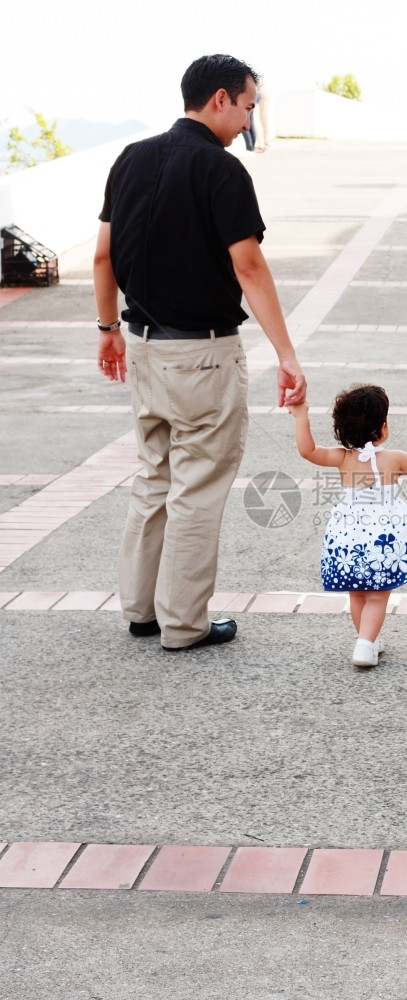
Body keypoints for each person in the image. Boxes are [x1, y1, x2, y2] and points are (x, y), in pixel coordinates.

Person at [93, 54, 307, 652]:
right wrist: (287, 354)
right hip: (203, 358)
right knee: (197, 487)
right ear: (220, 99)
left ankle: (141, 611)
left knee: (153, 475)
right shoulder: (222, 171)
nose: (247, 121)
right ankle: (184, 624)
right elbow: (248, 264)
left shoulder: (130, 158)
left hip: (142, 347)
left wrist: (108, 326)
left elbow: (104, 256)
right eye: (247, 107)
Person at [288, 385, 407, 668]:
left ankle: (369, 640)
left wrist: (301, 415)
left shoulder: (342, 457)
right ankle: (365, 645)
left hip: (349, 533)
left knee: (358, 592)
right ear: (383, 428)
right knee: (378, 595)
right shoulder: (395, 458)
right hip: (383, 539)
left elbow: (308, 451)